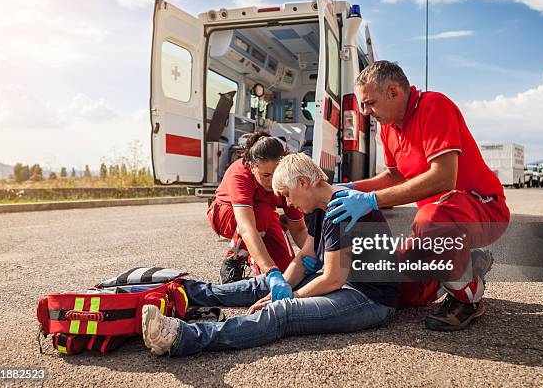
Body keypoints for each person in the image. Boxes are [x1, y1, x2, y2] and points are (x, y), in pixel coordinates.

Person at [141, 153, 399, 357]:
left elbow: (332, 279)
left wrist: (289, 297)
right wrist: (282, 286)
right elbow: (305, 259)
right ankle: (187, 290)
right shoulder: (323, 208)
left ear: (303, 182)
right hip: (347, 285)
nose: (288, 203)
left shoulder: (341, 209)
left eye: (287, 195)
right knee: (268, 284)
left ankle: (182, 337)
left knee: (282, 312)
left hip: (370, 300)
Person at [327, 60, 510, 331]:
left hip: (481, 209)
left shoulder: (434, 107)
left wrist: (372, 200)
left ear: (394, 92)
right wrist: (351, 188)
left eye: (369, 103)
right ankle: (467, 264)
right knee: (390, 285)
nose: (366, 112)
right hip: (438, 222)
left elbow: (443, 177)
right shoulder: (389, 127)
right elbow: (395, 176)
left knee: (431, 220)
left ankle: (469, 298)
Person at [208, 132, 307, 298]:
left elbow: (298, 228)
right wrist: (270, 271)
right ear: (252, 167)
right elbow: (247, 228)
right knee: (262, 213)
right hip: (227, 215)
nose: (272, 181)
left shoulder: (287, 176)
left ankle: (262, 261)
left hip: (264, 217)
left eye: (276, 174)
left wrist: (315, 256)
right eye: (266, 175)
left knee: (287, 272)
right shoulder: (240, 174)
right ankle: (235, 259)